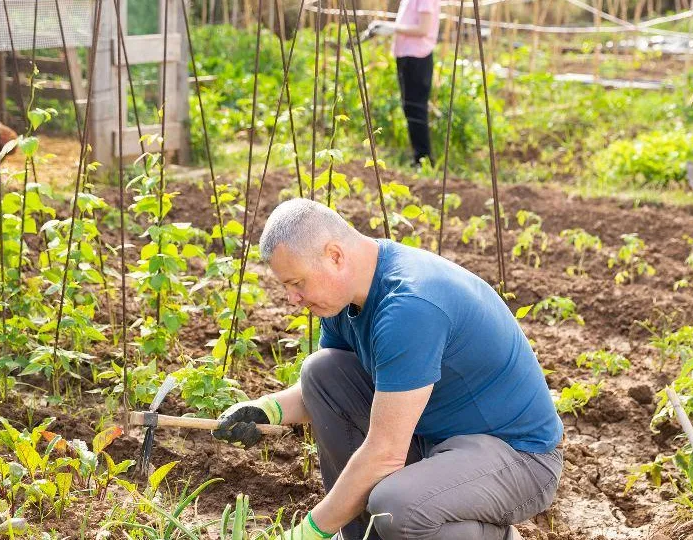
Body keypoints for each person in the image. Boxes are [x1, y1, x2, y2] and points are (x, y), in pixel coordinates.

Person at [213, 198, 563, 540]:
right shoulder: (347, 297)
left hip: (518, 457)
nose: (293, 298)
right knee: (322, 371)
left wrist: (307, 533)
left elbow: (385, 453)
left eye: (297, 283)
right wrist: (266, 409)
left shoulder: (408, 306)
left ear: (335, 256)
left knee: (396, 507)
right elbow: (327, 392)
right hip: (434, 437)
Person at [365, 0, 441, 167]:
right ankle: (419, 158)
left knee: (416, 108)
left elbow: (423, 29)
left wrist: (393, 28)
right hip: (407, 55)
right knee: (411, 108)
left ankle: (423, 160)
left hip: (417, 57)